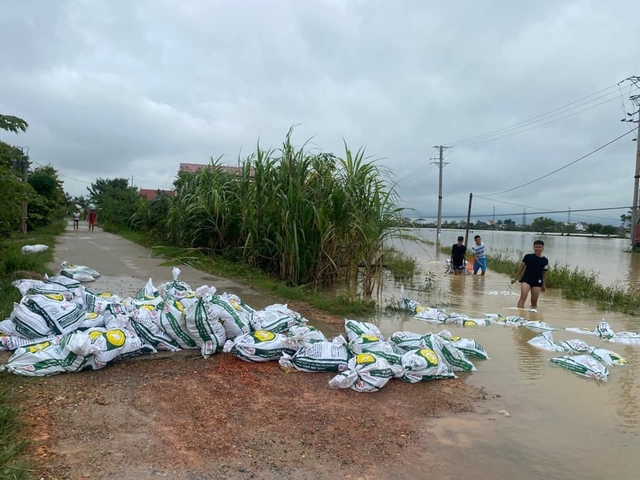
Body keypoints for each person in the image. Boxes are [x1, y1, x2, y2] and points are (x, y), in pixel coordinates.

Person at [511, 240, 549, 309]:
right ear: (533, 247)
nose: (538, 249)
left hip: (537, 282)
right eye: (536, 247)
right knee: (523, 296)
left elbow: (544, 273)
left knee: (534, 301)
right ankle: (519, 314)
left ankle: (533, 316)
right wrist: (515, 278)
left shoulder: (545, 260)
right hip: (526, 280)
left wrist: (543, 284)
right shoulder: (528, 257)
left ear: (543, 248)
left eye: (540, 247)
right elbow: (521, 268)